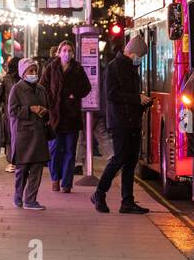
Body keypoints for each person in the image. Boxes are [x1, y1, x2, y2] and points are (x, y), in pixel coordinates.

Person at [89, 32, 152, 215]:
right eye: (140, 56)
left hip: (133, 120)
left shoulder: (132, 69)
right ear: (131, 53)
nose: (140, 60)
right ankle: (99, 193)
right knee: (119, 159)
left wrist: (142, 102)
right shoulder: (113, 67)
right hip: (120, 122)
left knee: (131, 162)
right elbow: (111, 94)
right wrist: (136, 98)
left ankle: (127, 201)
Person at [40, 41, 92, 192]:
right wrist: (50, 100)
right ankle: (55, 178)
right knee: (55, 149)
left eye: (69, 50)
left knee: (70, 150)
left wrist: (74, 95)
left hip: (71, 115)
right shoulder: (52, 67)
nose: (67, 53)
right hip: (54, 115)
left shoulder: (77, 68)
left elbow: (87, 87)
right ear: (59, 52)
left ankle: (67, 183)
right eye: (64, 50)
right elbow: (43, 86)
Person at [8, 58, 51, 210]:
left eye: (35, 70)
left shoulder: (41, 89)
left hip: (38, 133)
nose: (34, 73)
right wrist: (30, 109)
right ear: (23, 73)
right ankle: (18, 197)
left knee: (37, 167)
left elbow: (47, 107)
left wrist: (45, 111)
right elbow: (12, 111)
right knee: (23, 168)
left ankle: (30, 200)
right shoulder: (17, 89)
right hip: (23, 134)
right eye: (30, 71)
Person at [0, 55, 21, 173]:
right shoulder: (23, 78)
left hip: (8, 112)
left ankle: (12, 162)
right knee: (20, 136)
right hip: (22, 112)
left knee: (9, 137)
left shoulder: (5, 79)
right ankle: (21, 162)